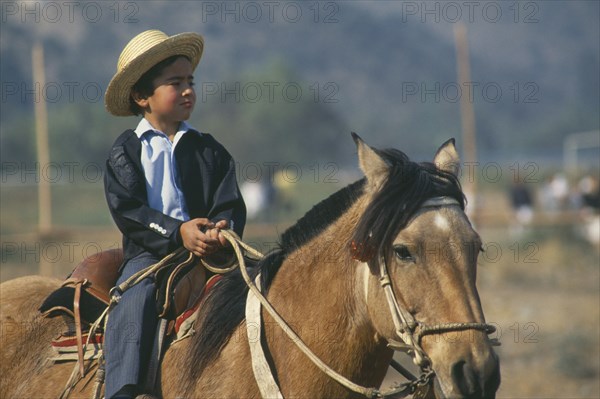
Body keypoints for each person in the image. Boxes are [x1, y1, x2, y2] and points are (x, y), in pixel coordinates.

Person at [103, 30, 246, 399]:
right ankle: (123, 388)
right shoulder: (126, 152)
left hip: (210, 254)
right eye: (175, 83)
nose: (187, 90)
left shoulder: (208, 149)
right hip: (151, 255)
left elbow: (228, 200)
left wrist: (221, 228)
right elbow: (128, 210)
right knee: (133, 298)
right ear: (141, 97)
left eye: (190, 82)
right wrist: (177, 232)